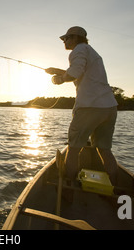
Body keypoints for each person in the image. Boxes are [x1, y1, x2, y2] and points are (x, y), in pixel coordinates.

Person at [46, 26, 119, 186]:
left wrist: (59, 79)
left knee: (73, 149)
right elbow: (79, 71)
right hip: (109, 107)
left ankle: (70, 186)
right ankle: (115, 187)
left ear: (75, 38)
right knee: (104, 149)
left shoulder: (78, 50)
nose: (64, 41)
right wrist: (57, 71)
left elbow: (74, 73)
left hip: (89, 107)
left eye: (66, 38)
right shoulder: (90, 52)